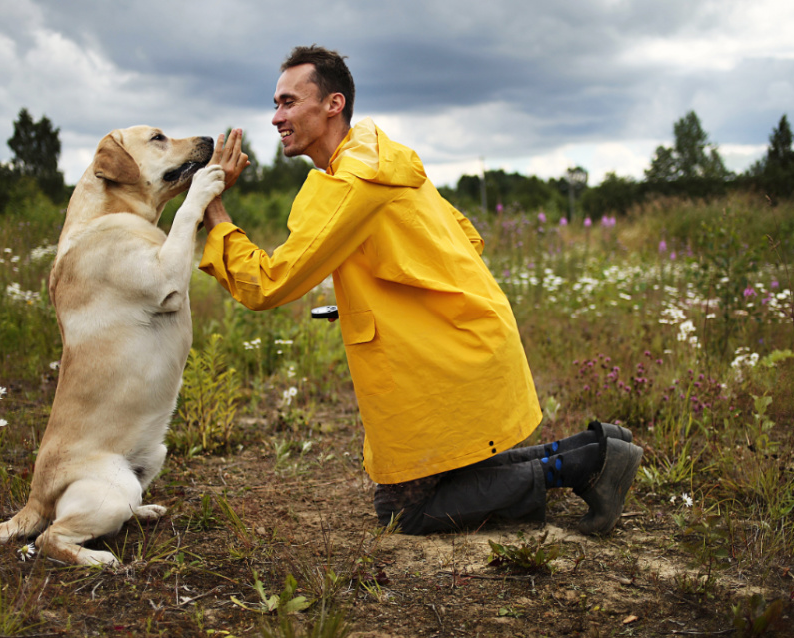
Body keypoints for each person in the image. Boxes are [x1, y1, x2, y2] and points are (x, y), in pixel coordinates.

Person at [201, 45, 643, 535]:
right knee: (451, 472)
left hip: (449, 353)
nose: (276, 117)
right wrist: (377, 292)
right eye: (275, 104)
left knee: (405, 509)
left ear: (333, 104)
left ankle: (581, 467)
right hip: (464, 335)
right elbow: (464, 236)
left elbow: (267, 283)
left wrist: (214, 210)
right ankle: (600, 449)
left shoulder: (352, 184)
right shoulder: (384, 160)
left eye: (287, 103)